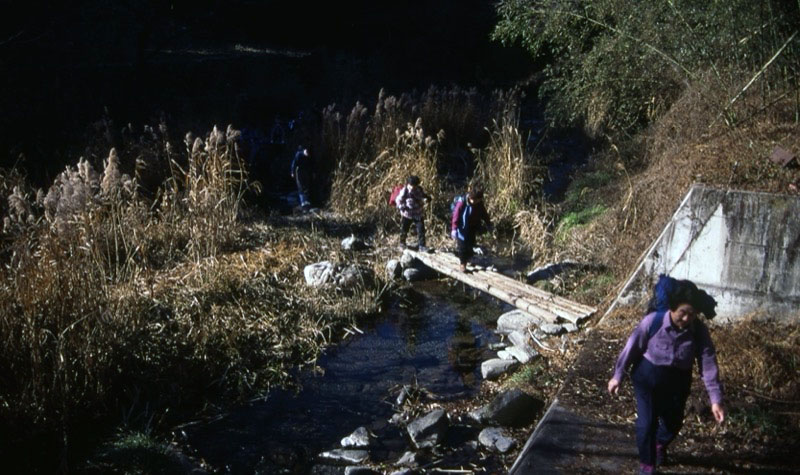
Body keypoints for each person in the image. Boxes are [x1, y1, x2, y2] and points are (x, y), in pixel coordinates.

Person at [607, 275, 725, 475]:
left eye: (692, 314)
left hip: (678, 381)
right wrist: (618, 375)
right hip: (648, 377)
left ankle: (659, 445)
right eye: (682, 313)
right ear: (672, 308)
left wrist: (715, 399)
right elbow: (631, 348)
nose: (686, 319)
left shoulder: (698, 331)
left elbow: (708, 363)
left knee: (673, 422)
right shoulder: (653, 322)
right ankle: (647, 465)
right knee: (647, 423)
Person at [450, 187, 493, 272]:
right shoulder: (461, 202)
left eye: (479, 200)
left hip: (472, 226)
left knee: (471, 244)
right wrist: (454, 228)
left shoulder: (479, 203)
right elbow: (456, 215)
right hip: (461, 227)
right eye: (476, 200)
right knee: (462, 246)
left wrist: (488, 223)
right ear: (470, 198)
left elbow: (484, 214)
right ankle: (463, 265)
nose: (477, 202)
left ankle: (468, 259)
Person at [395, 175, 431, 252]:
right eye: (411, 185)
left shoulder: (419, 190)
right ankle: (402, 243)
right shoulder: (404, 191)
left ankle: (422, 246)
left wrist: (427, 198)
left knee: (421, 230)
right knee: (404, 229)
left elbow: (423, 196)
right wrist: (402, 207)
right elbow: (398, 200)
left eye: (414, 185)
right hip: (407, 214)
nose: (412, 187)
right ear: (408, 184)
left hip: (418, 213)